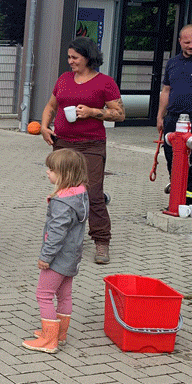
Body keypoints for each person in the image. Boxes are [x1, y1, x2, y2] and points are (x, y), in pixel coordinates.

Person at [39, 36, 124, 265]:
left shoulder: (105, 82)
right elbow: (51, 105)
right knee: (64, 191)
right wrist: (45, 127)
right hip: (63, 142)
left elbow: (119, 114)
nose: (70, 61)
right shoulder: (64, 79)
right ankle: (60, 235)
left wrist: (92, 112)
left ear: (88, 57)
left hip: (91, 144)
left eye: (74, 57)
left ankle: (101, 241)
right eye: (68, 57)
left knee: (93, 193)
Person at [23, 149, 89, 353]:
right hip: (73, 255)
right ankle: (60, 334)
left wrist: (46, 257)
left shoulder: (62, 202)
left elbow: (56, 232)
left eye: (51, 170)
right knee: (64, 295)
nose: (47, 173)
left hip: (58, 258)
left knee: (43, 294)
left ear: (64, 174)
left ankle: (49, 339)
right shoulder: (81, 193)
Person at [157, 24, 192, 203]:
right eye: (187, 42)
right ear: (180, 41)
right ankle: (177, 194)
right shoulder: (173, 63)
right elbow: (166, 90)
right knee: (171, 158)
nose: (191, 46)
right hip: (173, 119)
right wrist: (160, 116)